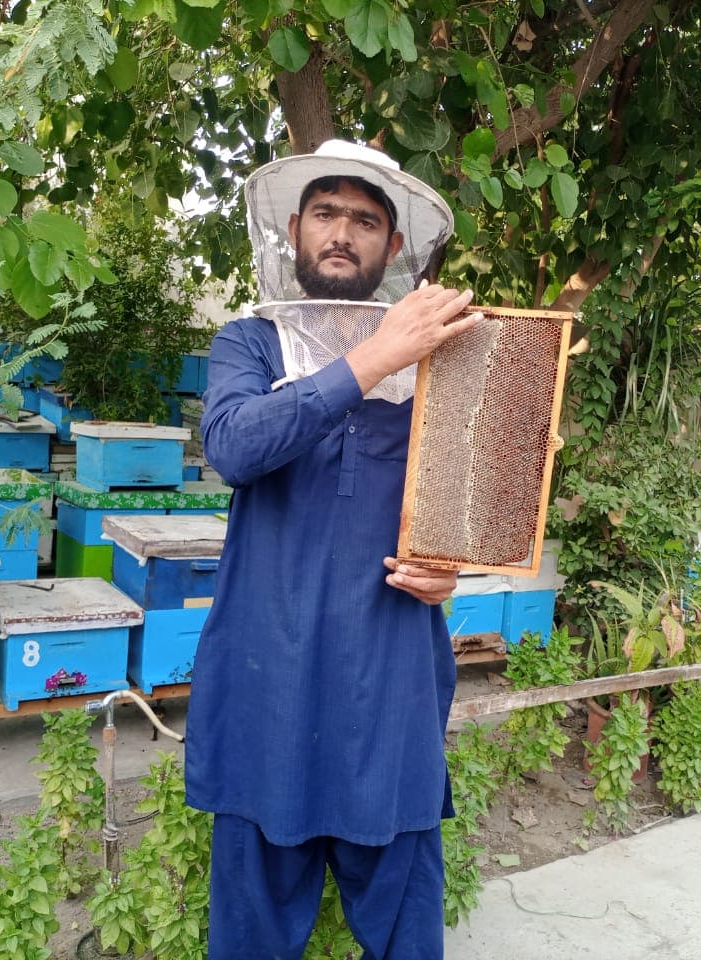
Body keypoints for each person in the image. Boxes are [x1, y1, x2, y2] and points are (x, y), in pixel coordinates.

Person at [184, 140, 482, 960]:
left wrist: (450, 567)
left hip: (389, 687)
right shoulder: (248, 345)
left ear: (393, 246)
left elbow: (471, 505)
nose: (342, 232)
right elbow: (237, 447)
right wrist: (379, 354)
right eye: (326, 213)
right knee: (249, 936)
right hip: (265, 685)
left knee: (405, 933)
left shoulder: (447, 364)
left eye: (365, 219)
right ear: (294, 229)